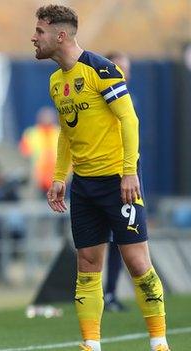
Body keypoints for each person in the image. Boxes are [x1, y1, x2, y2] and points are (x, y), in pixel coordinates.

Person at [33, 5, 169, 351]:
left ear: (60, 35)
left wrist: (128, 172)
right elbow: (67, 133)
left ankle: (159, 342)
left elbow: (130, 120)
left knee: (137, 263)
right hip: (85, 188)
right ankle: (91, 345)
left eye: (40, 32)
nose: (34, 38)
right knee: (88, 264)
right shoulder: (55, 81)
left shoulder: (102, 70)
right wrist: (61, 177)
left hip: (118, 183)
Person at [103, 51, 132, 313]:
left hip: (126, 179)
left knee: (124, 243)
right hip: (106, 180)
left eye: (127, 69)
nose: (125, 74)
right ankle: (101, 295)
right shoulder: (102, 101)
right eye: (120, 68)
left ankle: (110, 293)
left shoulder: (124, 101)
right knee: (101, 245)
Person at [19, 106, 60, 197]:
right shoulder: (30, 133)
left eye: (49, 116)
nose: (47, 119)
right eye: (45, 116)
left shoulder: (61, 133)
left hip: (60, 179)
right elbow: (24, 155)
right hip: (38, 179)